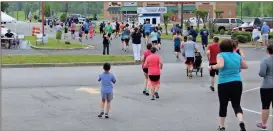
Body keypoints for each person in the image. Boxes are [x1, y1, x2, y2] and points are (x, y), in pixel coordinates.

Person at [208, 39, 248, 131]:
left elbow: (220, 65)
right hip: (237, 82)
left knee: (223, 104)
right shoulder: (237, 55)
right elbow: (245, 66)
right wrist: (236, 66)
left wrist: (211, 67)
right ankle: (241, 122)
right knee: (236, 104)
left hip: (224, 83)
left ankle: (221, 126)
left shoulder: (221, 55)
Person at [256, 44, 273, 130]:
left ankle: (263, 123)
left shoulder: (265, 61)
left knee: (265, 106)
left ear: (267, 51)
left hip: (267, 85)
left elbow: (262, 73)